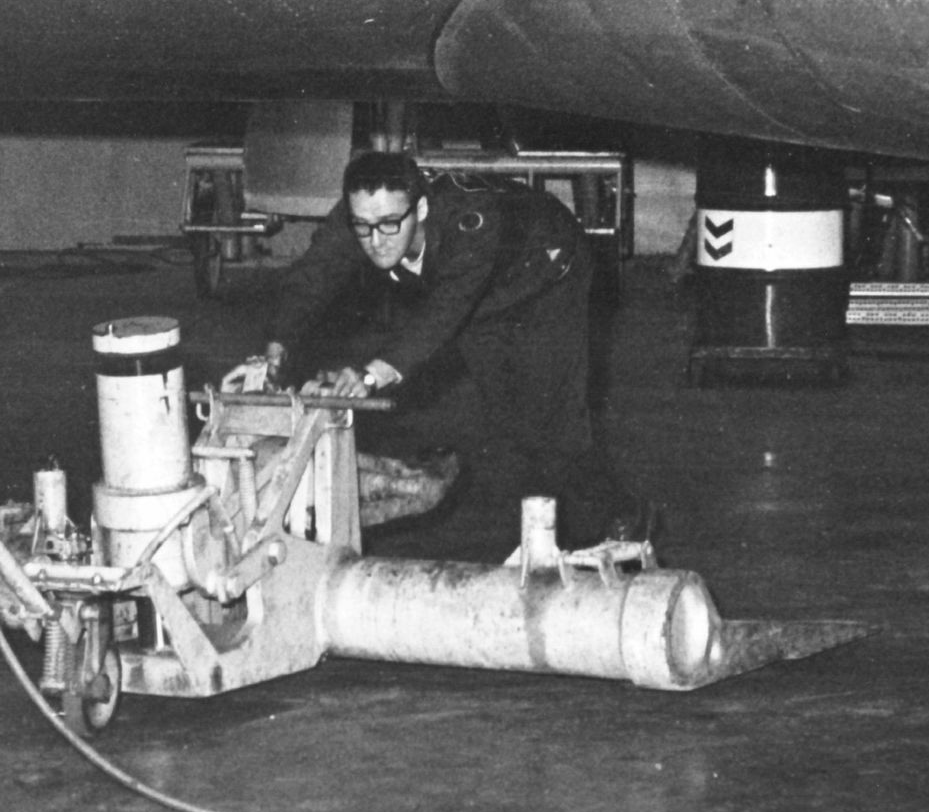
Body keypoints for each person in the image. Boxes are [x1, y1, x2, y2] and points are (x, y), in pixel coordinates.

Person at [233, 150, 653, 548]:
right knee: (511, 419)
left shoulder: (472, 224)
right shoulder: (363, 215)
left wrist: (370, 376)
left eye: (389, 224)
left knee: (553, 418)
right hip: (484, 299)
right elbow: (311, 278)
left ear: (420, 210)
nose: (375, 240)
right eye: (362, 226)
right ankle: (552, 527)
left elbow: (443, 313)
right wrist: (274, 349)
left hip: (547, 277)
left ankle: (622, 516)